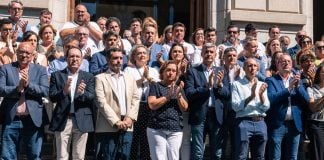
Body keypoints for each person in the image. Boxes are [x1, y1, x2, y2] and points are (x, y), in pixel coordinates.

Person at [0, 42, 49, 159]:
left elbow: (45, 90)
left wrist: (28, 85)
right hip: (11, 119)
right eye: (21, 51)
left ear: (33, 55)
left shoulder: (40, 70)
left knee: (35, 155)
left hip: (33, 120)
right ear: (16, 53)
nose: (24, 55)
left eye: (28, 52)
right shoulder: (6, 69)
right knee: (7, 156)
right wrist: (17, 88)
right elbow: (1, 89)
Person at [185, 43, 230, 159]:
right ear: (201, 54)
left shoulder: (221, 71)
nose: (209, 54)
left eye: (211, 52)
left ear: (215, 54)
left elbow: (227, 94)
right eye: (206, 51)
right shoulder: (193, 71)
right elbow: (189, 93)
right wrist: (207, 86)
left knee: (217, 153)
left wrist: (219, 85)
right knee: (198, 152)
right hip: (199, 115)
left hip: (216, 115)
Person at [49, 47, 95, 160]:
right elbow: (52, 97)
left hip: (82, 120)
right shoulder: (57, 75)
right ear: (66, 58)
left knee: (79, 156)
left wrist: (81, 93)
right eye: (71, 56)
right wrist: (64, 91)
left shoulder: (88, 76)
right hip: (63, 119)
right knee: (62, 156)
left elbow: (91, 97)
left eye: (77, 56)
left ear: (82, 59)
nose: (74, 59)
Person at [95, 47, 140, 159]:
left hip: (127, 125)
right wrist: (116, 121)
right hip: (108, 125)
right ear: (108, 59)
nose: (119, 61)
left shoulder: (130, 78)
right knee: (108, 157)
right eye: (115, 58)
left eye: (121, 58)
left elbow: (136, 98)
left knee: (125, 156)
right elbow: (101, 102)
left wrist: (130, 118)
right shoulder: (100, 78)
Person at [265, 54, 309, 160]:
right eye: (283, 61)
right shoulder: (271, 80)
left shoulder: (296, 80)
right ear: (277, 64)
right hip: (277, 124)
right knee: (275, 156)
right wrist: (288, 89)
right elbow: (271, 98)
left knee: (292, 156)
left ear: (292, 64)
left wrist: (298, 87)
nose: (286, 63)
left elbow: (306, 100)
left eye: (289, 61)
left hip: (294, 124)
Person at [147, 60, 188, 160]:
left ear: (177, 74)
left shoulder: (179, 88)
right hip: (156, 128)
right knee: (159, 158)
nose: (171, 73)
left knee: (174, 158)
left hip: (175, 129)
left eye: (174, 71)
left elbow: (184, 108)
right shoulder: (155, 86)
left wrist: (178, 96)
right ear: (162, 72)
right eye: (168, 70)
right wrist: (167, 97)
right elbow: (152, 104)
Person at [125, 45, 160, 160]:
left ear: (148, 56)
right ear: (134, 56)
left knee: (146, 138)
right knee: (133, 137)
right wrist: (143, 79)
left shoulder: (154, 71)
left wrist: (150, 79)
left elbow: (159, 87)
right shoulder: (128, 70)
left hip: (149, 106)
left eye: (144, 53)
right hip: (134, 106)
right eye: (139, 53)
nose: (142, 55)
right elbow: (128, 87)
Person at [232, 58, 270, 159]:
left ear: (257, 68)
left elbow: (266, 107)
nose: (252, 68)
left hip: (260, 122)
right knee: (241, 156)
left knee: (260, 157)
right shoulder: (237, 84)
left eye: (254, 66)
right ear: (244, 68)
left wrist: (261, 96)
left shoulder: (262, 84)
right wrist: (251, 96)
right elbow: (235, 106)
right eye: (249, 66)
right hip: (244, 122)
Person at [307, 65, 324, 160]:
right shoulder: (311, 89)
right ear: (318, 75)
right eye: (323, 72)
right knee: (319, 154)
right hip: (318, 124)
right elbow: (312, 107)